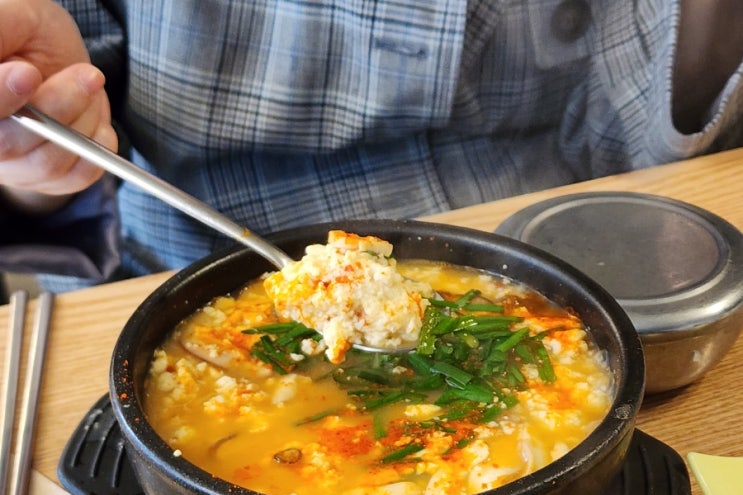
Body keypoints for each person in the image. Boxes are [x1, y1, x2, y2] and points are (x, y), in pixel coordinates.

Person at [0, 0, 742, 292]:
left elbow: (657, 122)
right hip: (188, 272)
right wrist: (40, 151)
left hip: (579, 269)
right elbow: (61, 99)